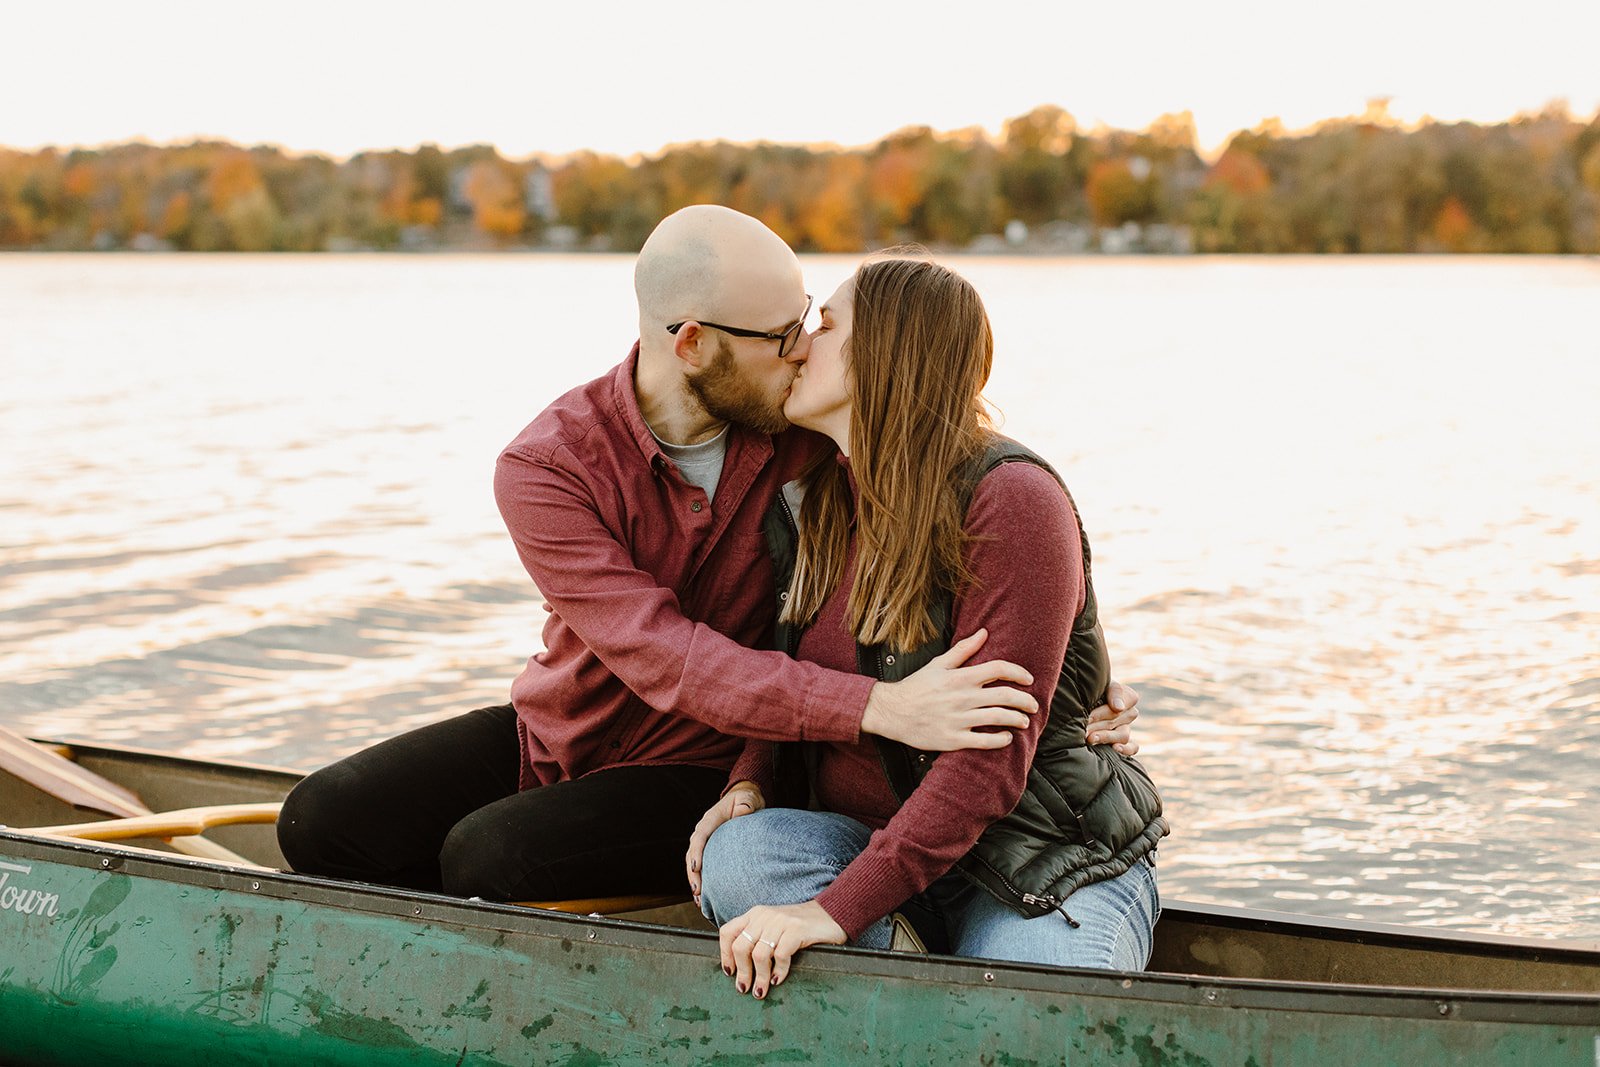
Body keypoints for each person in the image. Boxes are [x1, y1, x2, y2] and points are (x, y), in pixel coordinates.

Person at [276, 206, 1141, 904]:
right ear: (692, 343)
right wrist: (878, 705)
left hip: (717, 759)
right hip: (566, 734)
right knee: (322, 819)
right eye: (779, 336)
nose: (802, 348)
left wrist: (1077, 680)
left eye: (808, 323)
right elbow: (664, 657)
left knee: (486, 856)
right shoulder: (547, 467)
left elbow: (974, 505)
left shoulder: (807, 436)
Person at [690, 256, 1167, 999]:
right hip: (872, 847)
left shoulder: (1010, 498)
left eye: (826, 323)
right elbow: (791, 667)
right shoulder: (816, 501)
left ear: (888, 348)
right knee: (740, 855)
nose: (802, 344)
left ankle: (925, 980)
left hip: (1034, 862)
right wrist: (749, 782)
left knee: (1037, 1008)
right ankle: (913, 966)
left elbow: (986, 767)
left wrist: (827, 913)